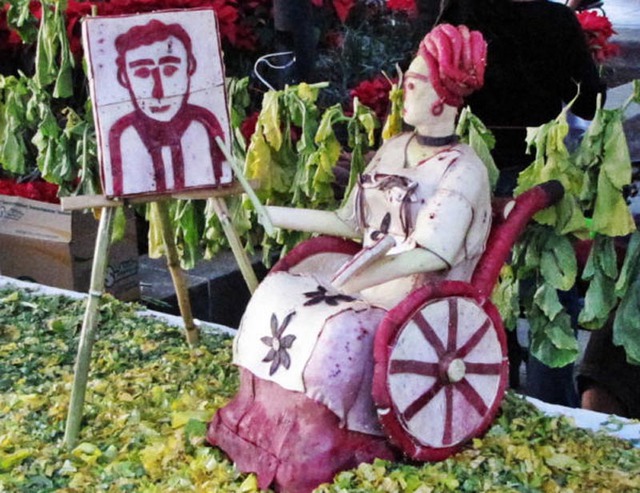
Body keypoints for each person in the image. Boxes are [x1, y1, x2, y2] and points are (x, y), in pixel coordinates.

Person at [208, 24, 491, 493]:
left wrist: (363, 279)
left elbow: (431, 252)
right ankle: (261, 419)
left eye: (417, 81)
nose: (405, 88)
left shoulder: (463, 171)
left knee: (339, 328)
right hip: (361, 277)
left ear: (442, 99)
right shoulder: (394, 148)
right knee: (277, 291)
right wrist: (273, 214)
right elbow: (351, 220)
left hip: (416, 297)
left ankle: (326, 437)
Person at [106, 19, 230, 197]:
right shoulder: (122, 133)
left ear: (190, 67)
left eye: (170, 70)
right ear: (124, 78)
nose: (158, 91)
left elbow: (222, 173)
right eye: (142, 73)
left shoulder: (204, 123)